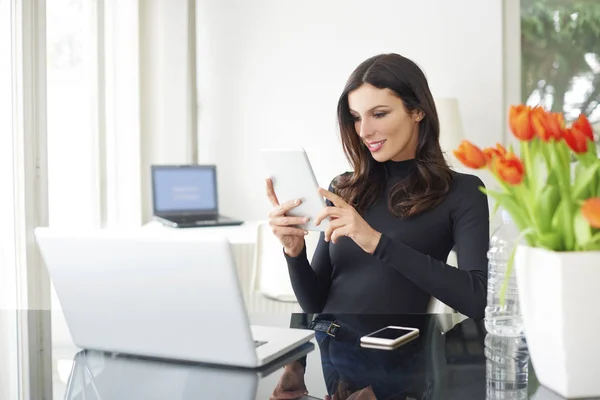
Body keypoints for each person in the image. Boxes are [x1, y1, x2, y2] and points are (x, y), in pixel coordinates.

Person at [265, 53, 489, 318]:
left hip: (402, 356)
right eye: (356, 117)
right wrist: (294, 253)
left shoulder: (462, 192)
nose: (363, 131)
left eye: (379, 114)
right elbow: (315, 305)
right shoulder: (344, 188)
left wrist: (375, 241)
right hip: (334, 353)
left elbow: (478, 300)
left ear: (417, 111)